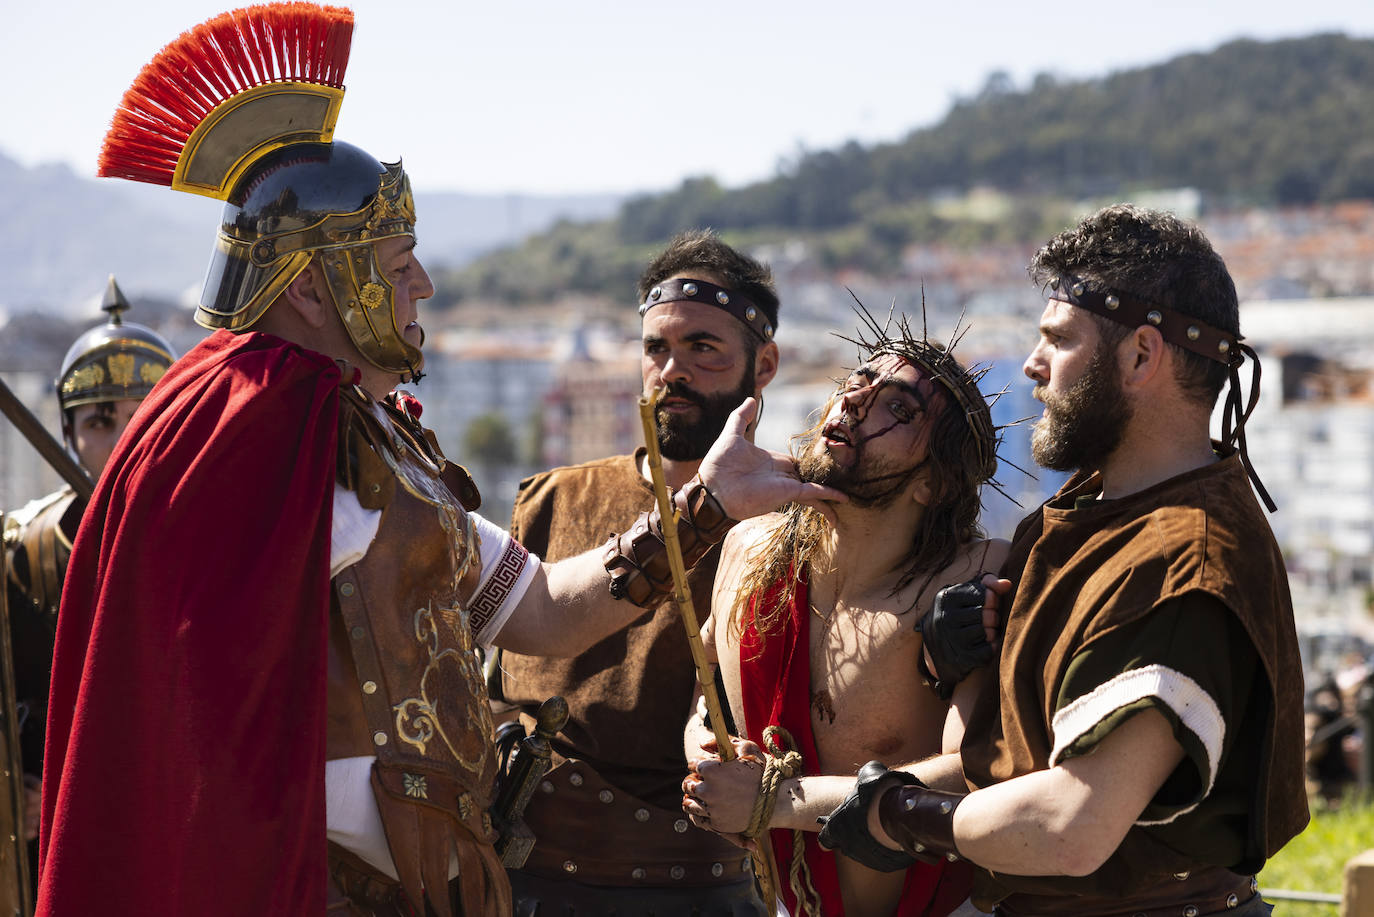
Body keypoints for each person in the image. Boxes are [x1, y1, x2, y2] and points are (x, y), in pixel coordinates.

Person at [37, 7, 838, 917]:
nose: (422, 284)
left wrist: (704, 507)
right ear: (313, 285)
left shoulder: (363, 431)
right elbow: (194, 712)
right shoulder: (237, 425)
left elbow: (537, 610)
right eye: (400, 260)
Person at [818, 205, 1309, 917]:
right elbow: (1001, 763)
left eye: (1058, 339)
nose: (1032, 363)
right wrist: (964, 666)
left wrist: (895, 814)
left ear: (1142, 355)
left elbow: (1069, 826)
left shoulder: (1184, 560)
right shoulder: (1081, 518)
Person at [682, 309, 1009, 917]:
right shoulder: (748, 546)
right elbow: (707, 688)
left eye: (900, 409)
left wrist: (773, 800)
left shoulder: (974, 580)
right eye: (859, 381)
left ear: (934, 485)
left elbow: (984, 776)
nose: (856, 403)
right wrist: (703, 753)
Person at [496, 229, 781, 915]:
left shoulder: (789, 530)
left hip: (698, 893)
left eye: (703, 348)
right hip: (522, 884)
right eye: (657, 348)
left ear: (763, 365)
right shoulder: (552, 499)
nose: (672, 371)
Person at [2, 277, 174, 889]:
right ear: (71, 432)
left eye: (144, 415)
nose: (125, 435)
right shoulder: (21, 551)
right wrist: (18, 791)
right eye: (101, 420)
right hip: (54, 856)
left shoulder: (212, 542)